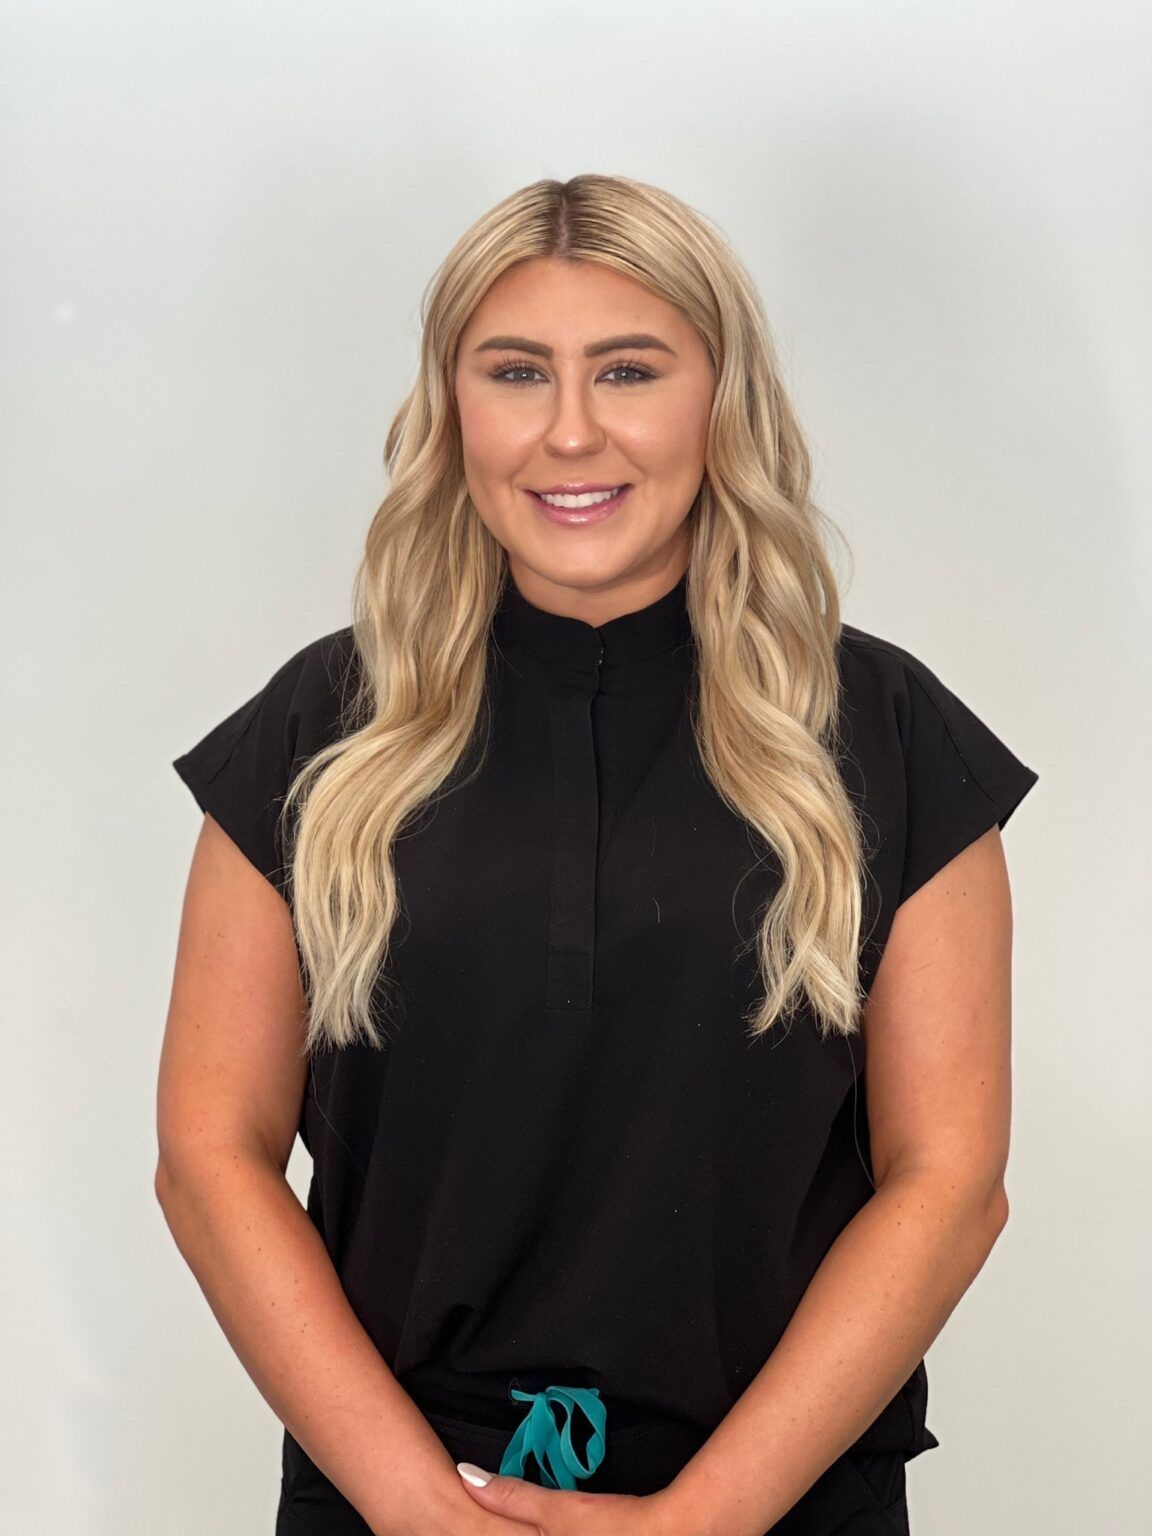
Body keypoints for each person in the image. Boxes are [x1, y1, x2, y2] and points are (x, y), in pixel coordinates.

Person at [156, 173, 1040, 1536]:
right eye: (517, 373)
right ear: (453, 412)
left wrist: (703, 1519)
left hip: (782, 1501)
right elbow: (211, 1151)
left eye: (629, 369)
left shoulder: (892, 736)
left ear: (718, 397)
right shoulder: (318, 733)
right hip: (397, 1497)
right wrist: (413, 1503)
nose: (571, 432)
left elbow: (951, 1183)